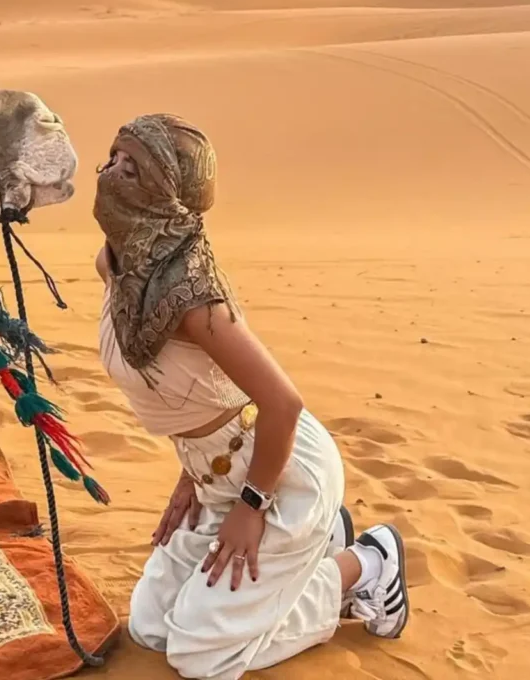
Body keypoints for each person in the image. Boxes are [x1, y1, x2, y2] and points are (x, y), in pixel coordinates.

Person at [92, 114, 410, 680]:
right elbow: (196, 394)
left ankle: (364, 564)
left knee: (199, 655)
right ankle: (311, 548)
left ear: (166, 194)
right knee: (151, 628)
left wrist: (251, 506)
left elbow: (282, 404)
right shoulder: (120, 269)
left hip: (280, 478)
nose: (110, 173)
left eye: (132, 168)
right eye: (113, 157)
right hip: (215, 476)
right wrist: (192, 475)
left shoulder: (192, 301)